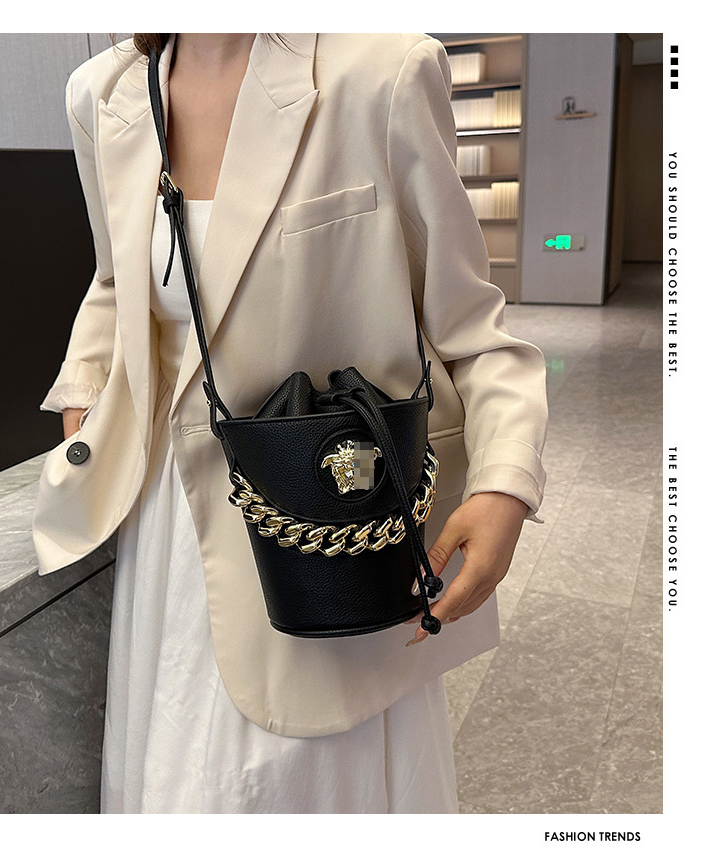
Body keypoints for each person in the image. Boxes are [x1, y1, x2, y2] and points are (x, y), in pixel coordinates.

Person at [33, 32, 548, 814]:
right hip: (170, 530)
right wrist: (85, 389)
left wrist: (506, 483)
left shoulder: (382, 73)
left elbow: (471, 327)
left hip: (328, 525)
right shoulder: (102, 94)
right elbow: (115, 280)